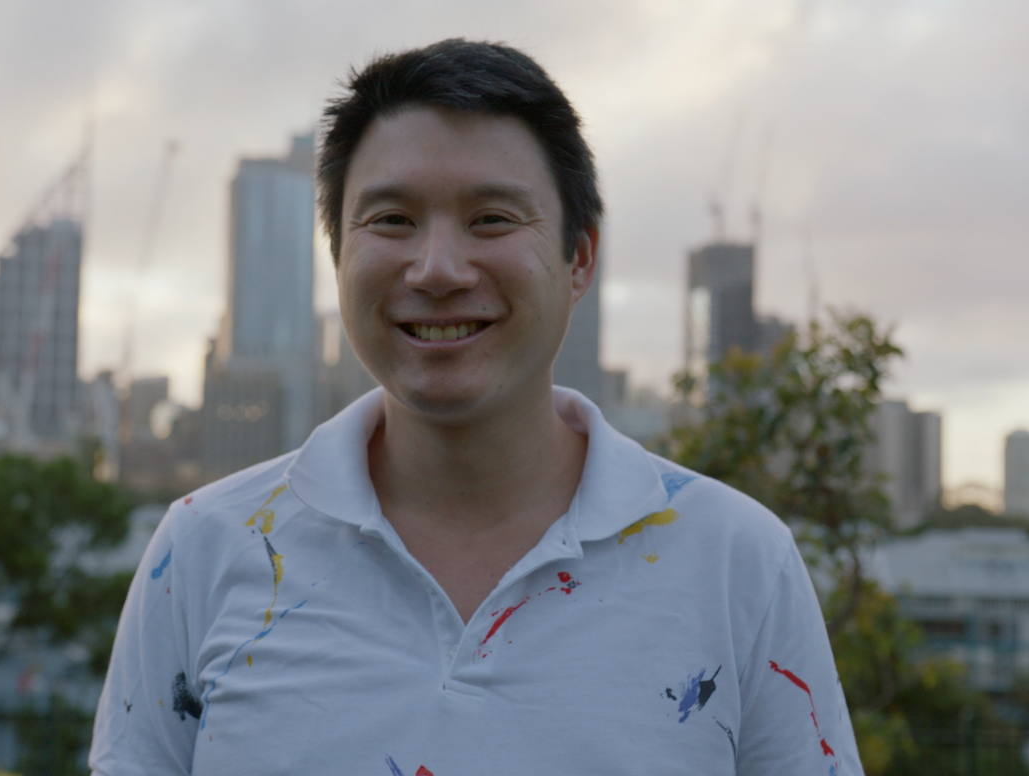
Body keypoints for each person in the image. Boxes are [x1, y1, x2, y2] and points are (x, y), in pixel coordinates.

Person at [90, 39, 862, 775]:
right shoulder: (201, 551)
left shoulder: (736, 560)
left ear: (579, 257)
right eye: (391, 220)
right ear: (337, 256)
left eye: (491, 219)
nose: (437, 269)